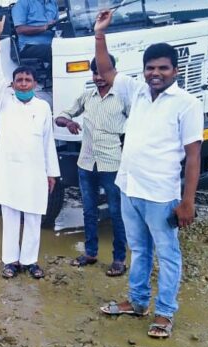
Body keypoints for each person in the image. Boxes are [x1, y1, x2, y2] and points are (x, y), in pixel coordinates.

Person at [93, 9, 203, 339]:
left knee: (168, 254)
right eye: (150, 68)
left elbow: (193, 156)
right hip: (130, 187)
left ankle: (165, 313)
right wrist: (100, 34)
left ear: (175, 70)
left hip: (161, 194)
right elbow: (105, 69)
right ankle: (138, 302)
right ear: (144, 71)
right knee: (139, 251)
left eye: (162, 68)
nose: (155, 73)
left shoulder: (187, 103)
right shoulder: (137, 91)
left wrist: (187, 201)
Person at [0, 16, 60, 279]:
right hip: (9, 170)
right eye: (19, 80)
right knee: (10, 217)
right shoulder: (4, 100)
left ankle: (30, 261)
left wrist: (52, 172)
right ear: (13, 84)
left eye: (28, 80)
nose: (24, 84)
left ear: (35, 84)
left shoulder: (43, 107)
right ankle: (10, 261)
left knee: (33, 216)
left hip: (34, 171)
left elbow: (48, 141)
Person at [55, 54, 128, 277]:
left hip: (112, 164)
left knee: (116, 213)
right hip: (86, 164)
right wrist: (68, 122)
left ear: (113, 71)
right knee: (88, 211)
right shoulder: (87, 97)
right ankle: (90, 252)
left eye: (104, 72)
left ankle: (119, 259)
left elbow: (139, 124)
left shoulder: (123, 99)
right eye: (95, 73)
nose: (99, 77)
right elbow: (60, 116)